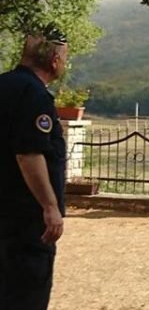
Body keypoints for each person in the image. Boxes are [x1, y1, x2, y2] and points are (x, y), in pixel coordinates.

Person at [0, 26, 69, 310]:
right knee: (26, 295)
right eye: (64, 57)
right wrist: (50, 206)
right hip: (25, 221)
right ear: (54, 59)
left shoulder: (3, 85)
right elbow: (28, 154)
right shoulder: (35, 96)